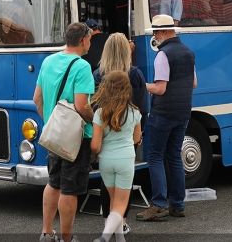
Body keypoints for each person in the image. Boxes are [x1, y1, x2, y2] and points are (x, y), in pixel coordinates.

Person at [34, 22, 95, 242]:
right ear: (82, 40)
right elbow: (82, 106)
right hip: (76, 139)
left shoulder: (48, 61)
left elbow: (37, 99)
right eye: (89, 39)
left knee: (54, 182)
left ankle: (47, 232)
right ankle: (67, 238)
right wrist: (95, 121)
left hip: (54, 136)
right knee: (70, 188)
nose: (90, 43)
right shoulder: (82, 67)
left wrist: (50, 122)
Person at [137, 14, 197, 222]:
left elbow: (160, 89)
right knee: (174, 156)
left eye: (155, 32)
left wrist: (140, 86)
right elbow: (194, 84)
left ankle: (159, 204)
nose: (155, 36)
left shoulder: (163, 55)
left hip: (163, 114)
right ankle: (178, 204)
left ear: (162, 32)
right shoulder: (189, 53)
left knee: (155, 156)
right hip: (183, 113)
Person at [94, 33, 149, 236]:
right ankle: (122, 223)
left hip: (103, 133)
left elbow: (94, 106)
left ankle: (108, 221)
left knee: (105, 180)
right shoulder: (135, 74)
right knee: (124, 185)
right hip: (128, 135)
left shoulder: (97, 74)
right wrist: (139, 131)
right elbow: (143, 107)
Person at [90, 70, 142, 242]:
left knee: (113, 203)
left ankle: (120, 239)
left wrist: (97, 150)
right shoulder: (135, 112)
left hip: (106, 160)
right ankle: (104, 237)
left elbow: (96, 146)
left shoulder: (100, 113)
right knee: (120, 206)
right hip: (126, 159)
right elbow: (136, 139)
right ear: (127, 89)